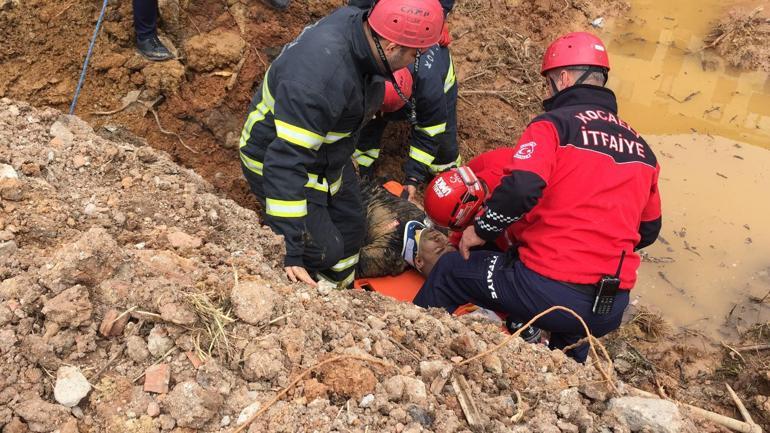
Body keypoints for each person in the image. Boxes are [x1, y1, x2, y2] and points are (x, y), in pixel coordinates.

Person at [413, 32, 663, 362]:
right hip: (608, 307)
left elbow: (522, 187)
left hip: (549, 291)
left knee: (450, 271)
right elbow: (648, 231)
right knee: (572, 329)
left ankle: (407, 346)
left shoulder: (554, 125)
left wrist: (480, 231)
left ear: (564, 77)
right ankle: (568, 376)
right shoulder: (641, 148)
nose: (547, 92)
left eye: (548, 83)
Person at [238, 0, 445, 288]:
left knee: (351, 229)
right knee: (326, 249)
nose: (417, 60)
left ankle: (339, 289)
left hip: (327, 158)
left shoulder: (362, 31)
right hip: (277, 160)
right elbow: (285, 164)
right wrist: (291, 249)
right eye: (416, 52)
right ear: (391, 46)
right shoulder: (319, 83)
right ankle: (314, 290)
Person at [351, 0, 458, 202]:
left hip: (437, 86)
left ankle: (447, 176)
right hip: (388, 88)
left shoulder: (429, 90)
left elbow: (429, 131)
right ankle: (361, 170)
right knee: (367, 128)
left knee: (444, 142)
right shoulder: (374, 63)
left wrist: (413, 178)